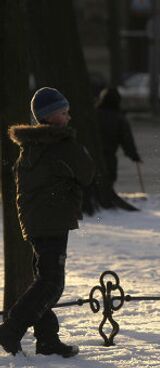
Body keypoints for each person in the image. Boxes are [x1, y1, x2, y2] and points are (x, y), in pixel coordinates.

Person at [0, 87, 95, 357]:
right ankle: (11, 328)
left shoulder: (29, 145)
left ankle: (47, 339)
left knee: (44, 279)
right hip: (52, 221)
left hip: (35, 222)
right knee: (52, 283)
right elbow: (87, 174)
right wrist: (79, 149)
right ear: (50, 117)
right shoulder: (60, 145)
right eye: (63, 113)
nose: (69, 118)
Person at [95, 87, 142, 210]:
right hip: (109, 155)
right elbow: (127, 140)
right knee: (109, 177)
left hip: (92, 154)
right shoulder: (119, 118)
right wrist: (133, 155)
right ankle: (105, 200)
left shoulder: (93, 115)